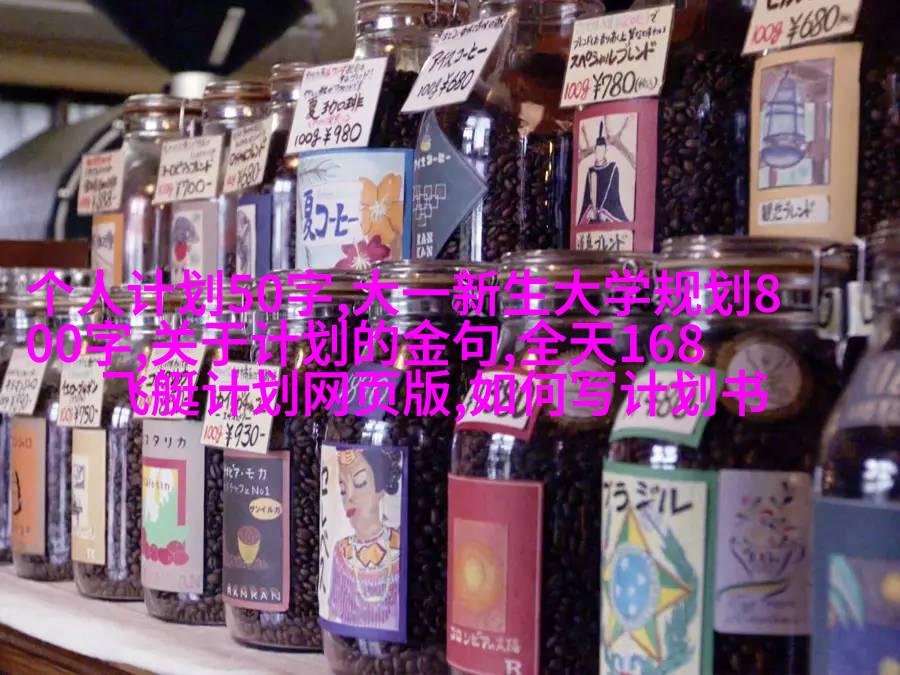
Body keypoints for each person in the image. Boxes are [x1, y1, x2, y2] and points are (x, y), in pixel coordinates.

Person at [328, 447, 402, 631]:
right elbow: (333, 615)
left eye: (360, 482)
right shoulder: (341, 552)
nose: (349, 497)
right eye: (342, 489)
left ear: (381, 488)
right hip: (346, 642)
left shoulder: (400, 544)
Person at [580, 121, 629, 224]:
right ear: (595, 150)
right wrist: (590, 211)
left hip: (608, 215)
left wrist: (604, 212)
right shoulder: (590, 171)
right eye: (598, 150)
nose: (599, 153)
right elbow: (586, 198)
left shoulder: (613, 169)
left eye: (602, 150)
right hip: (593, 216)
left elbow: (613, 195)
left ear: (606, 151)